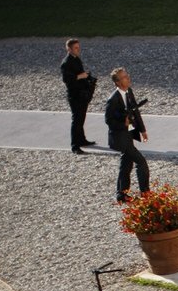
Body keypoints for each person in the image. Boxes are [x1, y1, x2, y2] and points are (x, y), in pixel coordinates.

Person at [104, 67, 149, 202]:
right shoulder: (113, 99)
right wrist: (123, 123)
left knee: (126, 163)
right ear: (117, 82)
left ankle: (121, 193)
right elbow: (108, 120)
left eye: (127, 75)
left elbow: (135, 111)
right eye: (124, 77)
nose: (128, 78)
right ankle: (145, 194)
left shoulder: (129, 92)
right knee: (141, 162)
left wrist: (142, 130)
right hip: (120, 137)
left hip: (128, 135)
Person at [60, 38, 98, 154]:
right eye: (76, 48)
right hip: (74, 95)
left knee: (81, 118)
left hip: (81, 94)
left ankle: (82, 139)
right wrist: (80, 76)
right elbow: (67, 80)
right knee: (76, 119)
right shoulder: (66, 63)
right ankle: (75, 145)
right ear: (69, 49)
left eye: (78, 47)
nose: (78, 49)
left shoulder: (76, 59)